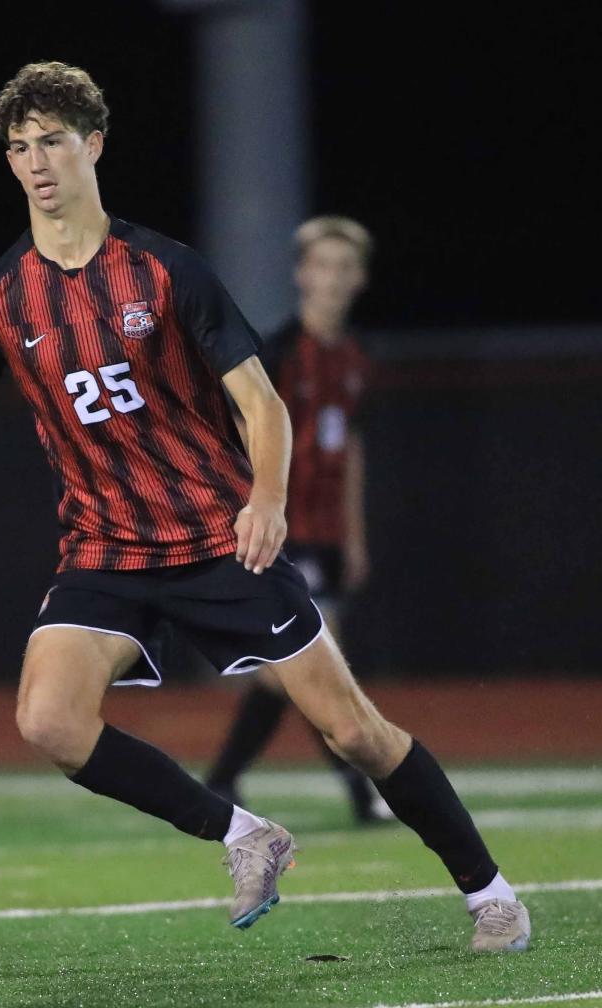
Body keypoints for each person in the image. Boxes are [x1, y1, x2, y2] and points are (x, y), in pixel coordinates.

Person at [0, 61, 530, 951]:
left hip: (215, 535)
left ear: (94, 144)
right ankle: (248, 835)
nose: (35, 164)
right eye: (18, 148)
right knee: (49, 721)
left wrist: (269, 500)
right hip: (103, 549)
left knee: (353, 732)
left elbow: (261, 402)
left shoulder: (166, 272)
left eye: (52, 141)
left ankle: (492, 895)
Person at [205, 216, 391, 824]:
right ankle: (365, 793)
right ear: (301, 275)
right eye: (322, 265)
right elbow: (238, 427)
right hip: (284, 529)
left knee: (288, 673)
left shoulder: (357, 359)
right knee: (317, 660)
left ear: (359, 277)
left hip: (327, 535)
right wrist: (252, 507)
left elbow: (352, 448)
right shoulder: (279, 351)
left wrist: (355, 536)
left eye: (344, 266)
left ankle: (224, 778)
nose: (332, 278)